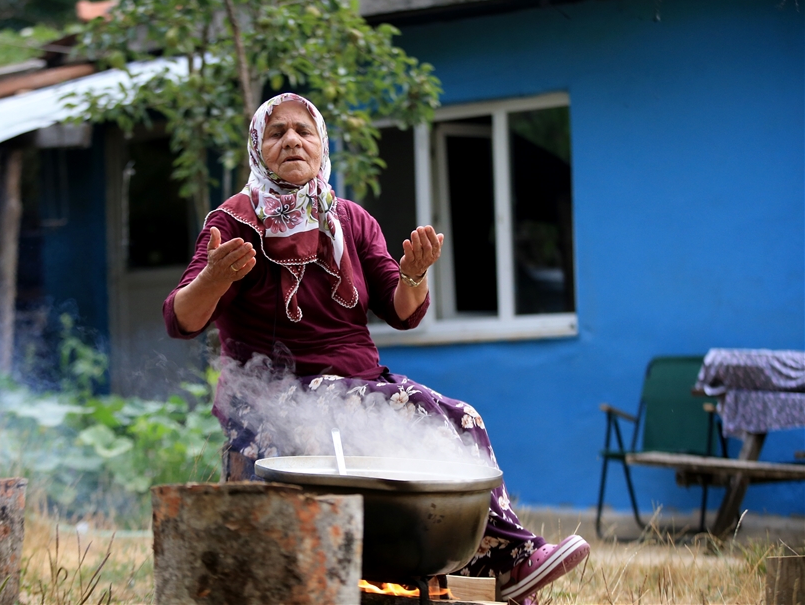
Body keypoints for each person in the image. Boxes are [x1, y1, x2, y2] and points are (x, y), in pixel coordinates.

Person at [163, 93, 589, 605]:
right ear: (257, 149)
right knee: (409, 412)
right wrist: (213, 276)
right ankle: (513, 560)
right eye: (276, 133)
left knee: (464, 419)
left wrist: (414, 274)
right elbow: (181, 319)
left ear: (322, 147)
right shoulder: (234, 222)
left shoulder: (351, 220)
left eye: (304, 131)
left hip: (359, 386)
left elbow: (403, 310)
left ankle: (495, 565)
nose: (292, 140)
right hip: (277, 399)